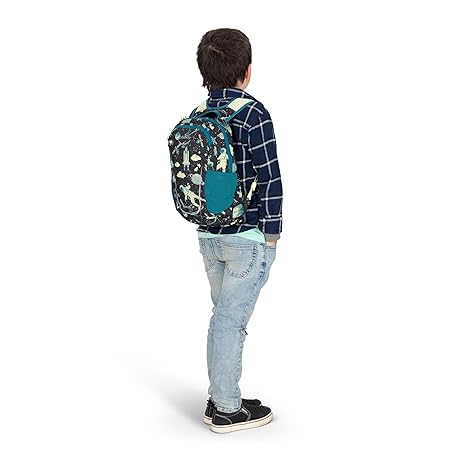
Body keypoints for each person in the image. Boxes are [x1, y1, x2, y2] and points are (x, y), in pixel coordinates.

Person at [195, 28, 283, 433]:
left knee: (223, 317)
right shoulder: (253, 113)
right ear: (246, 71)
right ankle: (227, 409)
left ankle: (220, 395)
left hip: (208, 235)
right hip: (247, 238)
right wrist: (272, 233)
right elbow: (270, 176)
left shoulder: (199, 114)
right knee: (230, 321)